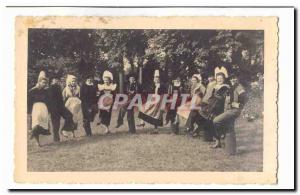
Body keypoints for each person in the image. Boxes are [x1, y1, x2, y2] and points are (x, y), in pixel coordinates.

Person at [212, 74, 247, 153]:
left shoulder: (239, 87)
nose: (233, 80)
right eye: (231, 79)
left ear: (237, 79)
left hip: (233, 111)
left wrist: (238, 105)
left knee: (216, 120)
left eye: (234, 78)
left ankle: (222, 135)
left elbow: (244, 98)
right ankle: (231, 150)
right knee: (230, 128)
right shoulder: (232, 87)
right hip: (230, 110)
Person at [47, 76, 75, 142]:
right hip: (53, 108)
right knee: (56, 124)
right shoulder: (49, 89)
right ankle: (56, 139)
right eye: (55, 79)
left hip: (61, 107)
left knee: (69, 115)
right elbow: (48, 100)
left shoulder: (59, 87)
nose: (57, 80)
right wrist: (49, 109)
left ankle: (63, 130)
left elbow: (61, 98)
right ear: (52, 81)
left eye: (57, 79)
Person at [27, 71, 51, 146]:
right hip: (36, 108)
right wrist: (29, 111)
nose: (44, 84)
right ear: (39, 82)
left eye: (45, 83)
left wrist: (49, 110)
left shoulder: (46, 92)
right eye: (43, 82)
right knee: (36, 123)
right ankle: (34, 137)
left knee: (42, 125)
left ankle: (35, 136)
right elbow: (29, 101)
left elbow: (48, 102)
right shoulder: (32, 91)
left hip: (44, 108)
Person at [138, 70, 165, 134]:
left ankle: (156, 129)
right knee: (144, 109)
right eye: (155, 78)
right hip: (152, 100)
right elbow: (148, 92)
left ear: (159, 79)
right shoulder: (151, 85)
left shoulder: (162, 85)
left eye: (157, 78)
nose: (156, 79)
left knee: (156, 115)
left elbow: (163, 93)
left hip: (158, 101)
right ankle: (142, 122)